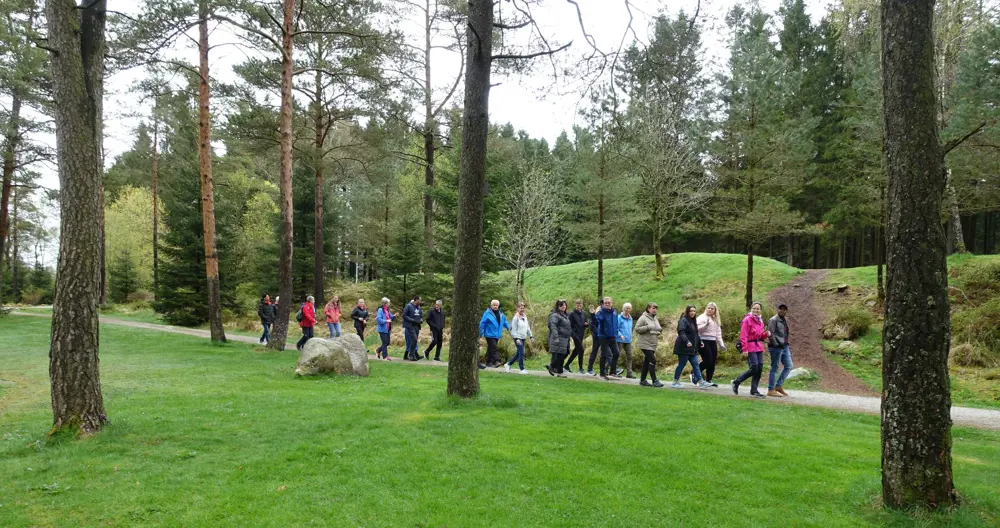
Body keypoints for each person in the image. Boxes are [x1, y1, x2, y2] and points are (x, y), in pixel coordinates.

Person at [732, 301, 770, 399]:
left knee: (760, 367)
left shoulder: (760, 321)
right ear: (751, 309)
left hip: (758, 346)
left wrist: (766, 334)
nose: (756, 310)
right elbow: (743, 335)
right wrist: (744, 349)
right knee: (754, 367)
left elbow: (760, 335)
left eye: (758, 309)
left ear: (760, 310)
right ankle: (737, 381)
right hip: (749, 346)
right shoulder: (747, 320)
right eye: (754, 308)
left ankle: (754, 390)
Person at [673, 305, 713, 389]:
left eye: (694, 311)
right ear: (687, 311)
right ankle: (675, 382)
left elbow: (695, 334)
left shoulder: (692, 321)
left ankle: (701, 382)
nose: (692, 313)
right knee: (681, 364)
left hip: (692, 348)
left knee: (696, 364)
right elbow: (681, 332)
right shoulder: (683, 320)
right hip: (683, 347)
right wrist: (686, 341)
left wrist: (700, 341)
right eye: (691, 311)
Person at [696, 302, 727, 387]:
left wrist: (721, 344)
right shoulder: (701, 317)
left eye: (712, 308)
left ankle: (708, 379)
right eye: (708, 308)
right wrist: (705, 326)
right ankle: (694, 372)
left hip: (712, 341)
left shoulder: (715, 319)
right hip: (703, 340)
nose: (710, 310)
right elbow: (696, 329)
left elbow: (718, 333)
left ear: (715, 311)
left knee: (712, 361)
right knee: (708, 360)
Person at [634, 302, 664, 387]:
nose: (655, 310)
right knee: (653, 360)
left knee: (647, 362)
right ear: (648, 309)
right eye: (653, 308)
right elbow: (637, 329)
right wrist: (647, 327)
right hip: (645, 343)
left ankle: (642, 380)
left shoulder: (655, 319)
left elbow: (656, 329)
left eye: (655, 308)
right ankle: (655, 381)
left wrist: (659, 330)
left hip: (653, 343)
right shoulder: (643, 318)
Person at [767, 304, 794, 398]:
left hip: (785, 346)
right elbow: (770, 334)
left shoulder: (784, 320)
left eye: (784, 309)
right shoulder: (773, 320)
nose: (782, 311)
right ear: (777, 310)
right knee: (775, 368)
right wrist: (777, 345)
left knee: (789, 366)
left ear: (786, 311)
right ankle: (771, 389)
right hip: (776, 347)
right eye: (780, 309)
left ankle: (778, 386)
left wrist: (784, 345)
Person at [594, 297, 621, 380]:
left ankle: (612, 372)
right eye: (606, 303)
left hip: (612, 335)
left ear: (611, 303)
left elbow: (615, 322)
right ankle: (602, 374)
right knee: (604, 354)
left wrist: (616, 332)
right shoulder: (601, 312)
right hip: (603, 335)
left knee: (616, 353)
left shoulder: (614, 312)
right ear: (603, 304)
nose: (607, 304)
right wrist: (595, 313)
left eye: (609, 302)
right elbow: (599, 320)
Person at [478, 300, 510, 368]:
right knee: (494, 347)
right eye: (494, 305)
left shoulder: (501, 313)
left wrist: (509, 328)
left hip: (497, 334)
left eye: (496, 305)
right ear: (491, 305)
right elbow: (482, 323)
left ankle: (488, 362)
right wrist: (481, 332)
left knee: (490, 348)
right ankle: (496, 361)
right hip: (489, 334)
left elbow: (505, 322)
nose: (495, 306)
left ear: (498, 306)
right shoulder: (487, 313)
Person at [547, 300, 573, 378]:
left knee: (563, 354)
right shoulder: (555, 315)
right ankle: (553, 368)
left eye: (565, 305)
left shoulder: (565, 315)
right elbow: (553, 326)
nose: (564, 307)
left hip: (565, 339)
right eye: (561, 305)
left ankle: (556, 369)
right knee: (557, 354)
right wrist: (556, 336)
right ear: (558, 306)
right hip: (558, 338)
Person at [506, 302, 533, 373]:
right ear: (517, 308)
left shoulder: (525, 316)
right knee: (522, 353)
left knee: (518, 353)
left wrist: (531, 336)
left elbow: (527, 327)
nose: (522, 309)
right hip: (517, 338)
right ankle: (522, 369)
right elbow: (513, 330)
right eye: (521, 308)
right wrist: (516, 338)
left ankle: (508, 364)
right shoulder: (515, 318)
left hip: (523, 337)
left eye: (523, 308)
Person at [564, 299, 588, 373]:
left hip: (581, 334)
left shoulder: (584, 313)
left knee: (576, 350)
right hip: (575, 335)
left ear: (582, 305)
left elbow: (585, 323)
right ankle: (581, 369)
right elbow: (568, 325)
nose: (579, 306)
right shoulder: (571, 314)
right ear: (575, 305)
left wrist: (587, 324)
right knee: (581, 350)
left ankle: (566, 365)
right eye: (577, 304)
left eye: (580, 304)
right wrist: (572, 334)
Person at [617, 302, 636, 379]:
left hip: (628, 340)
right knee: (616, 355)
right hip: (620, 340)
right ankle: (612, 370)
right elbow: (616, 328)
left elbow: (630, 329)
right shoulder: (619, 318)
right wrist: (620, 335)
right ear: (623, 309)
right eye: (626, 308)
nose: (628, 310)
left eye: (629, 308)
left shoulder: (630, 318)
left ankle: (629, 373)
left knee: (630, 356)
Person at [402, 295, 424, 361]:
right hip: (410, 326)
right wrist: (412, 320)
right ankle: (411, 355)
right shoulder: (408, 306)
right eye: (419, 300)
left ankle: (413, 355)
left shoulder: (419, 308)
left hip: (417, 326)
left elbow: (420, 315)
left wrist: (421, 319)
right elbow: (404, 315)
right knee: (414, 339)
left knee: (415, 340)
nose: (420, 301)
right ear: (416, 300)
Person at [586, 303, 600, 375]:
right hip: (597, 336)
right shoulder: (597, 312)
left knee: (608, 352)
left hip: (603, 336)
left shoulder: (605, 312)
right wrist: (598, 334)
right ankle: (589, 369)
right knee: (594, 351)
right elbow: (592, 325)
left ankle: (610, 370)